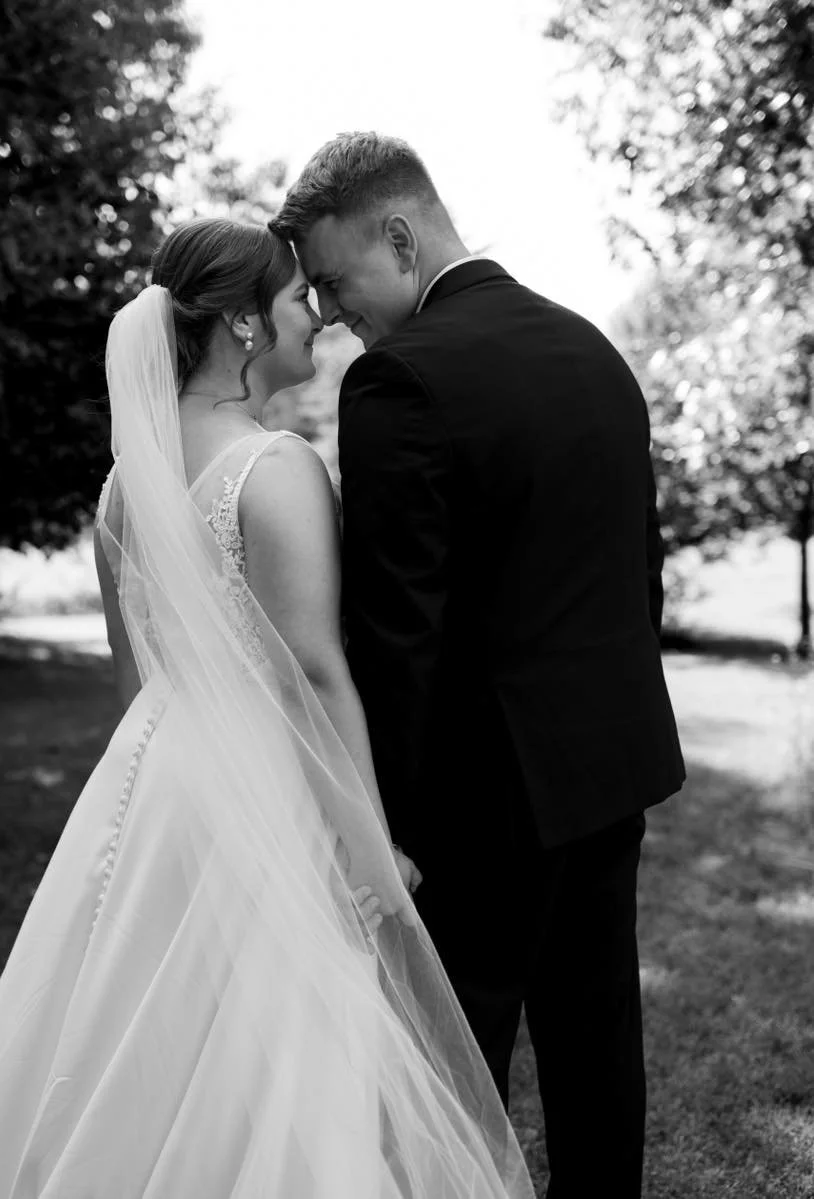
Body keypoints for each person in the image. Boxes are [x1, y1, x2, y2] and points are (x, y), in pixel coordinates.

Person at [0, 218, 534, 1199]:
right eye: (299, 300)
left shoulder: (121, 489)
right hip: (264, 772)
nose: (318, 318)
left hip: (156, 775)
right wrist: (366, 839)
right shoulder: (275, 466)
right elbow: (314, 666)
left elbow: (135, 682)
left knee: (143, 1016)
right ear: (245, 326)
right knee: (276, 1031)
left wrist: (136, 813)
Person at [269, 132, 686, 1199]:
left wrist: (386, 824)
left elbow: (397, 637)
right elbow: (635, 574)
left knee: (456, 1074)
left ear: (398, 236)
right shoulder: (589, 346)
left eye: (332, 279)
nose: (329, 313)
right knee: (598, 1042)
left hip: (480, 804)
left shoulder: (399, 379)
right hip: (611, 762)